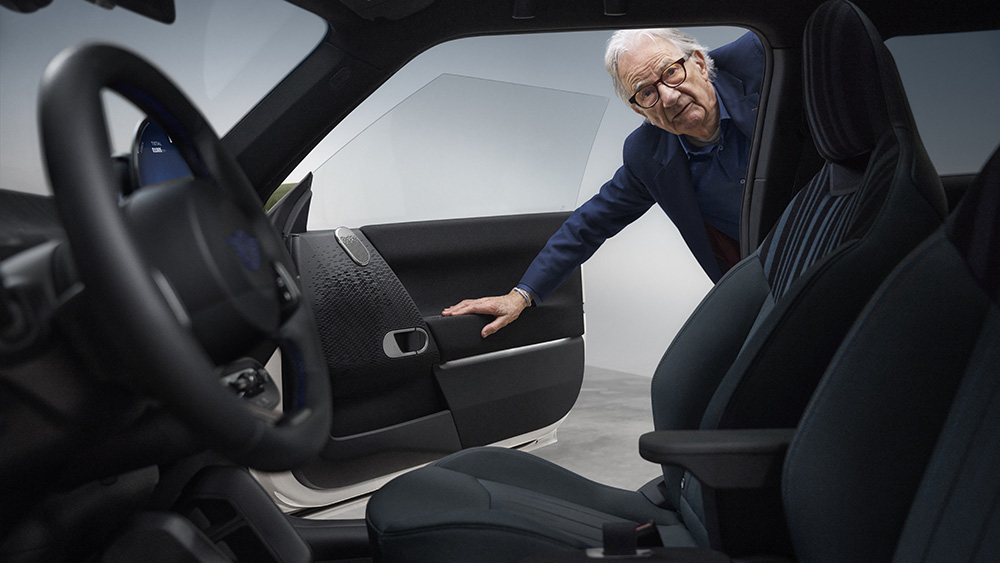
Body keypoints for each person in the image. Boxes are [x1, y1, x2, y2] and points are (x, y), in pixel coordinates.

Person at [444, 29, 764, 337]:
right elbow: (589, 224)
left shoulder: (758, 57)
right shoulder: (648, 155)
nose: (668, 96)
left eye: (670, 72)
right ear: (637, 108)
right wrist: (520, 296)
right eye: (647, 92)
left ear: (698, 62)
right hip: (773, 272)